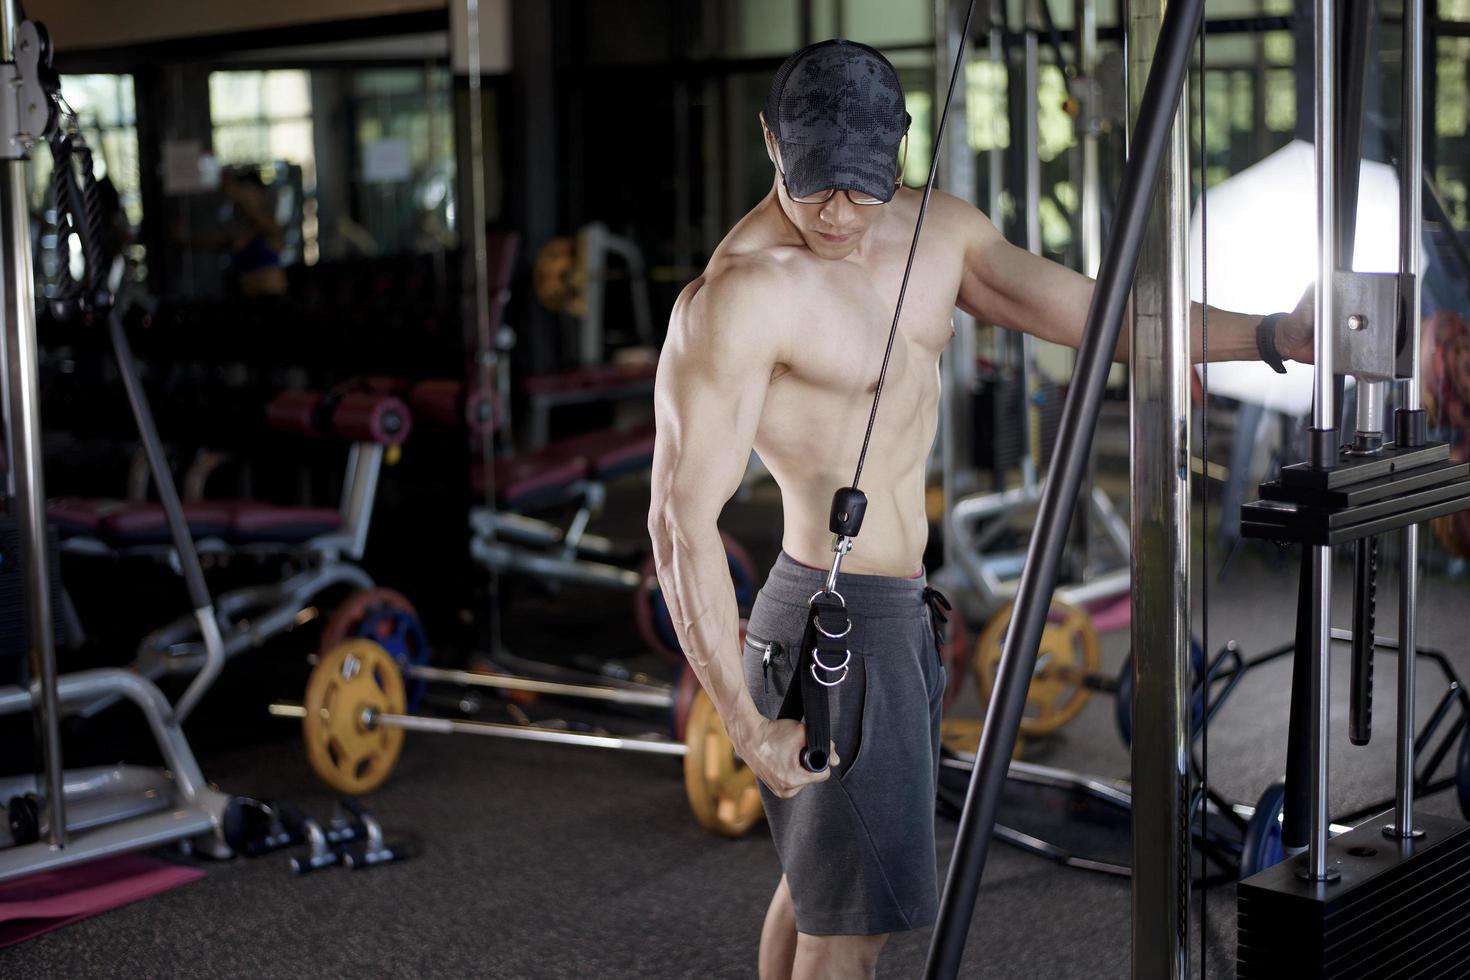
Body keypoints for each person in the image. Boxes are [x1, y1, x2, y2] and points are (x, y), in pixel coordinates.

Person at [647, 39, 1314, 980]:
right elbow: (678, 526)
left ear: (903, 152)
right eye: (814, 186)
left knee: (819, 890)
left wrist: (1270, 334)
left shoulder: (938, 236)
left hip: (901, 613)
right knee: (853, 927)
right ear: (770, 144)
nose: (838, 213)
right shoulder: (741, 298)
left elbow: (1100, 313)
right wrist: (745, 726)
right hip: (831, 621)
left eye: (862, 186)